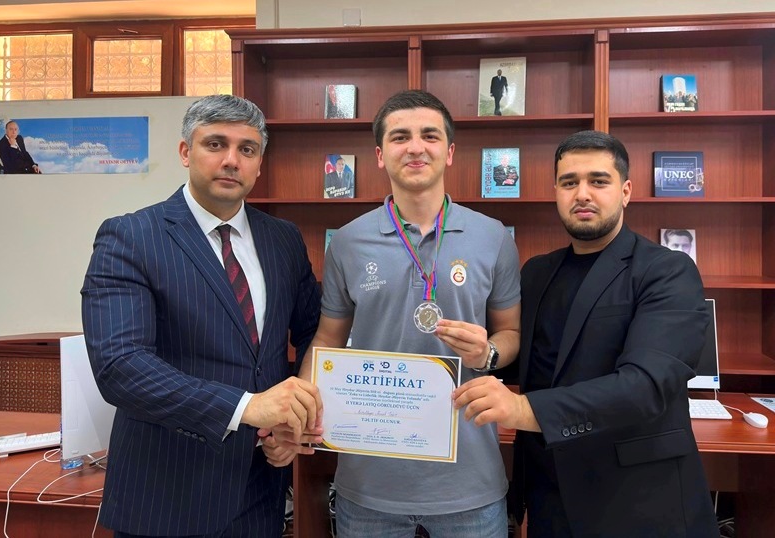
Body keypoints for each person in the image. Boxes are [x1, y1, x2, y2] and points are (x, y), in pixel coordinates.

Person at [264, 90, 522, 537]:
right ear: (381, 155)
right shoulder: (347, 241)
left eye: (430, 136)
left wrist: (488, 354)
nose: (416, 147)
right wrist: (297, 414)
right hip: (369, 486)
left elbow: (510, 333)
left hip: (469, 484)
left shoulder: (493, 237)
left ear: (450, 152)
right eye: (400, 137)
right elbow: (327, 339)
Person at [453, 130, 719, 538]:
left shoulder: (667, 271)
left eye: (598, 181)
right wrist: (487, 355)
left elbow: (644, 387)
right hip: (549, 499)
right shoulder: (537, 272)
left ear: (625, 191)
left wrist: (522, 410)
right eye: (569, 182)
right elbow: (537, 365)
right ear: (556, 193)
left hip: (639, 504)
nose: (582, 194)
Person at [81, 94, 323, 538]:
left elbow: (316, 330)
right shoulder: (131, 236)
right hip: (166, 495)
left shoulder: (283, 239)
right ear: (185, 152)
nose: (231, 160)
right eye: (215, 144)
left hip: (260, 491)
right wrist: (247, 407)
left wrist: (297, 418)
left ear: (259, 164)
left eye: (247, 149)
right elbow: (120, 366)